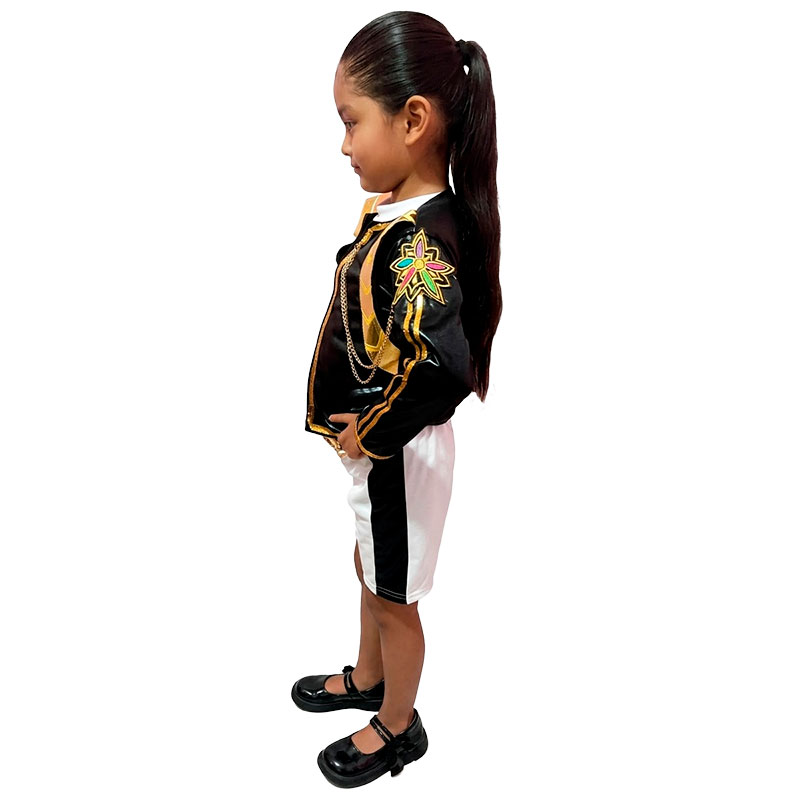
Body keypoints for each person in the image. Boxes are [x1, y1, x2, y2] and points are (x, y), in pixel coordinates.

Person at [290, 11, 502, 788]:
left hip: (398, 453)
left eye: (352, 122)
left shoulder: (418, 244)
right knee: (371, 568)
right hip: (381, 450)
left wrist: (374, 430)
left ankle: (397, 724)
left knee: (395, 597)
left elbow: (444, 367)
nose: (344, 144)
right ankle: (369, 677)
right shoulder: (398, 216)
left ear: (412, 121)